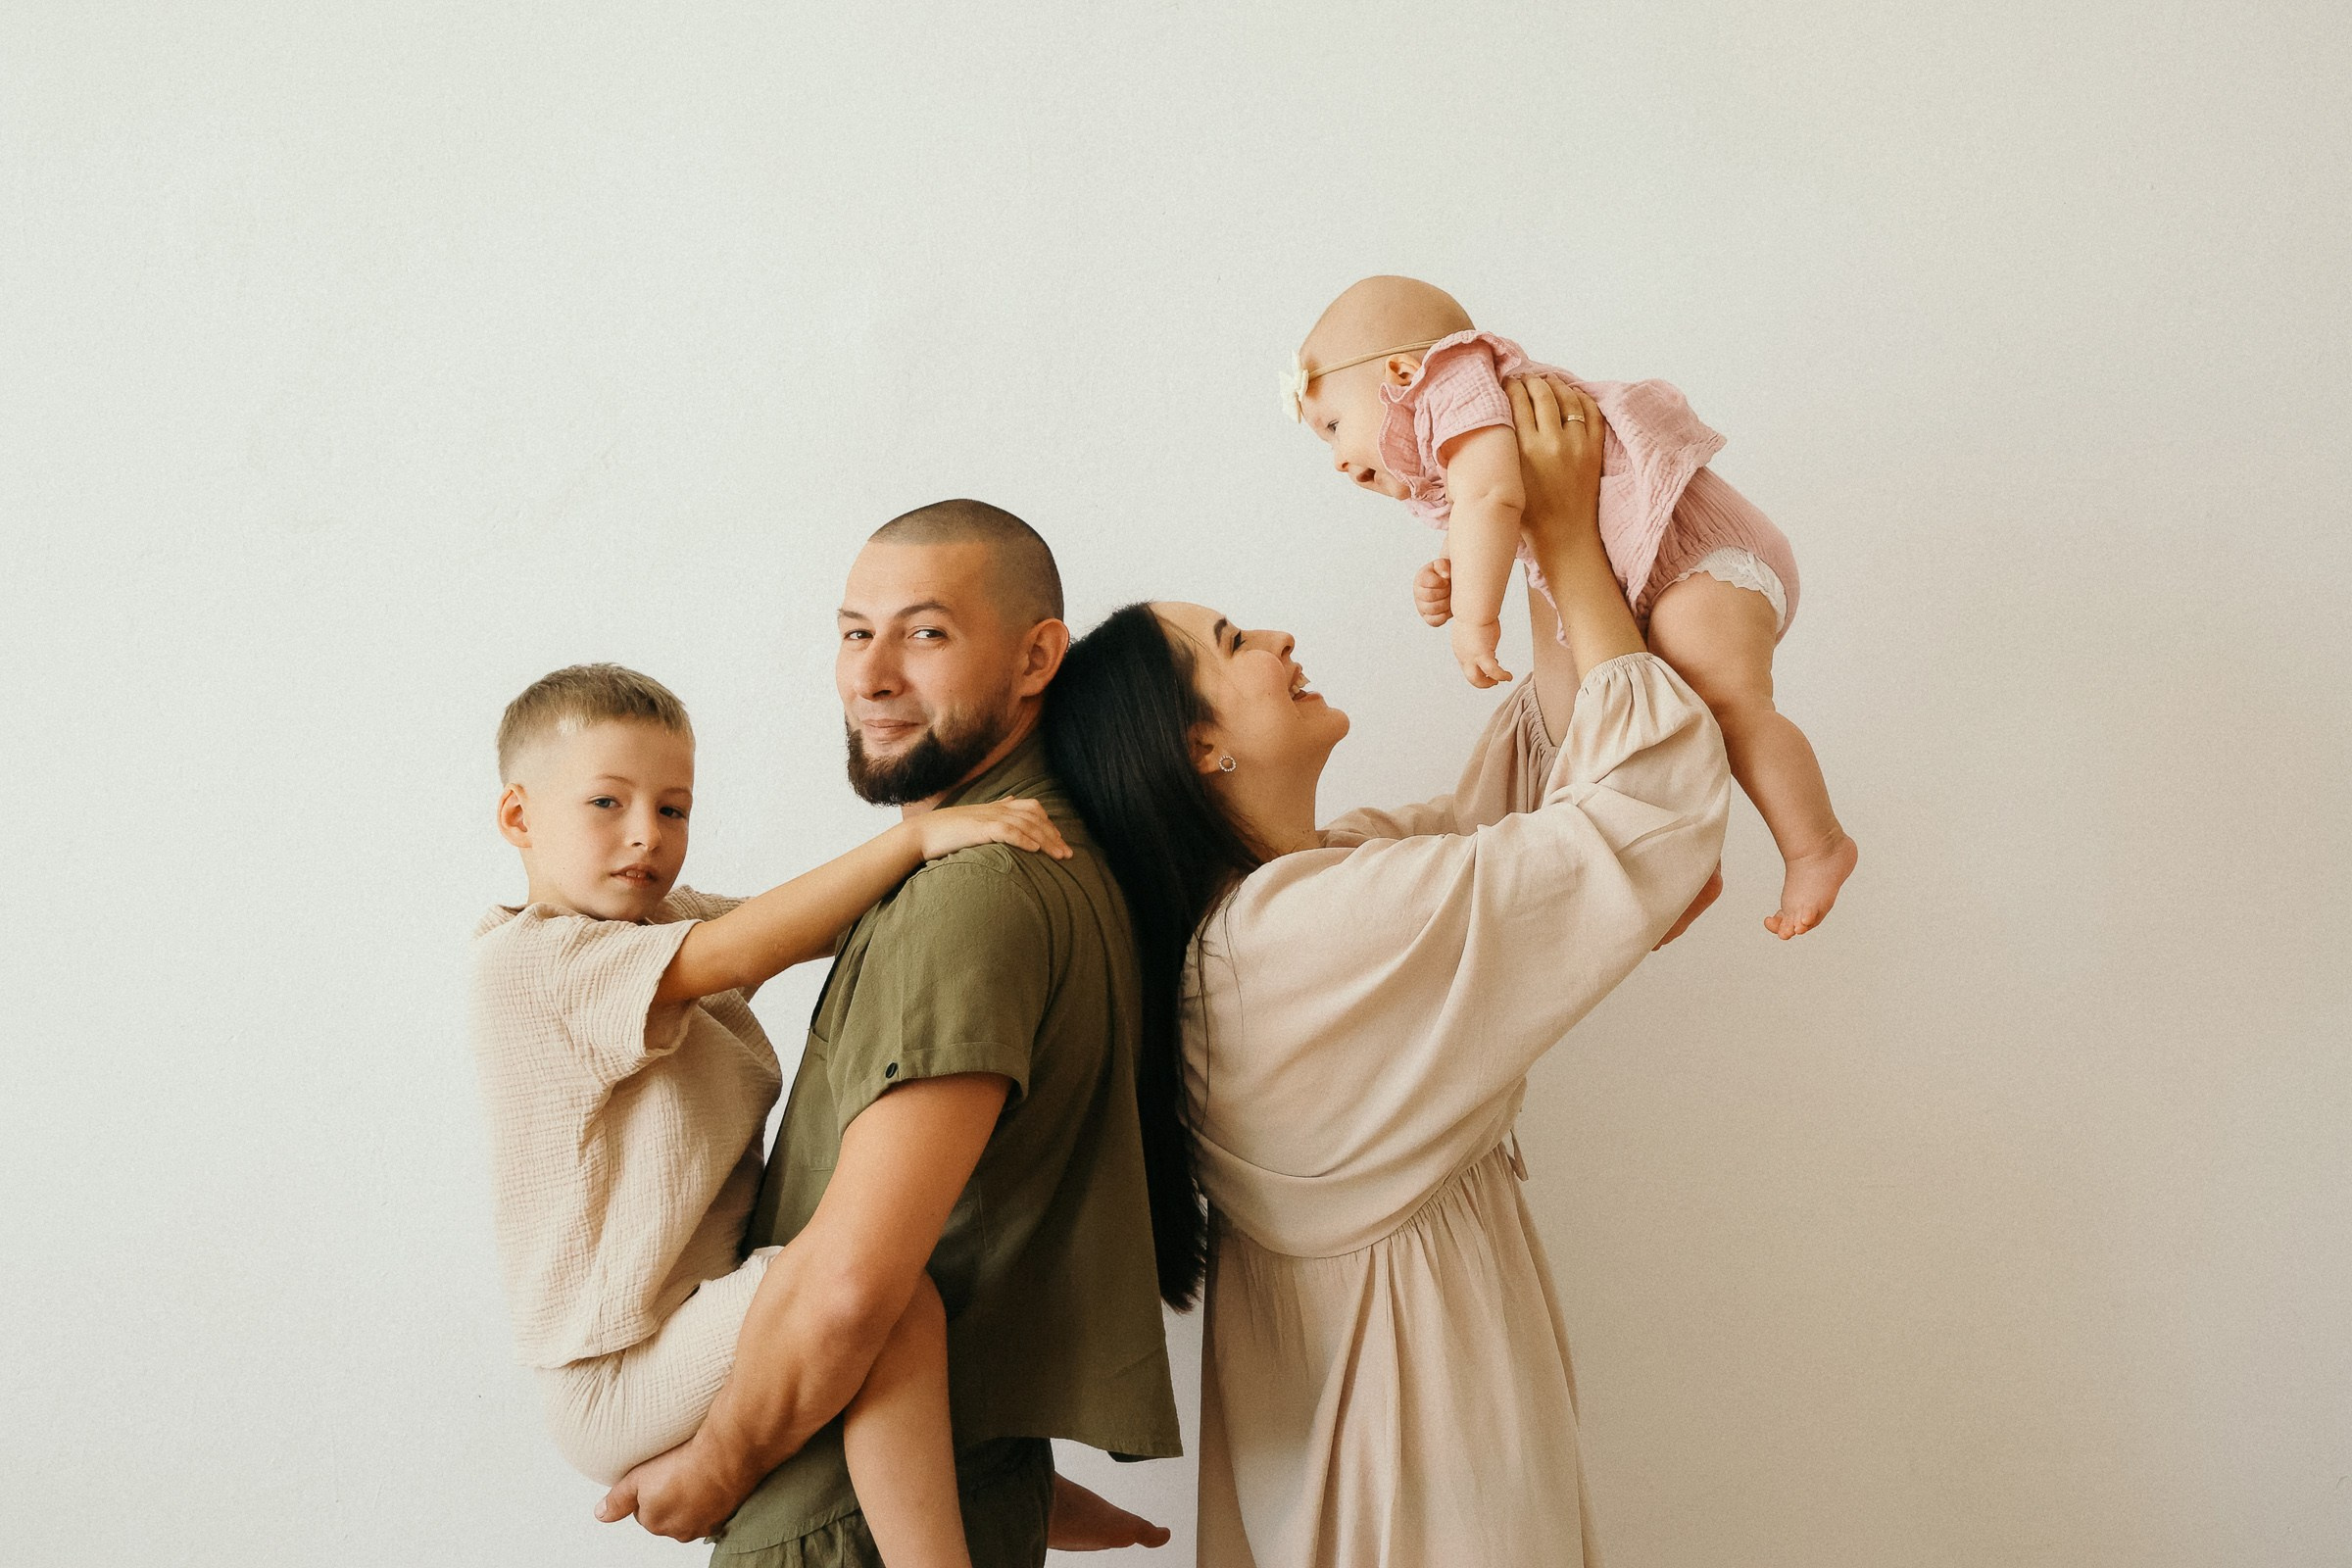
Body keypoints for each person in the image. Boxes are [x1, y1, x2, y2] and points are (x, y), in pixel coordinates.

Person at [1046, 378, 1733, 1567]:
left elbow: (1536, 799)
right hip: (1420, 1460)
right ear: (1195, 746)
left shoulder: (1304, 899)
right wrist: (1566, 543)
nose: (1278, 641)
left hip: (1398, 1428)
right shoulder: (1299, 941)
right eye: (1233, 644)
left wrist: (1532, 546)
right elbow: (1641, 818)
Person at [594, 503, 1183, 1568]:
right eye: (855, 632)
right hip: (928, 1499)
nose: (868, 677)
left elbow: (861, 1279)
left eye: (925, 633)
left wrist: (718, 1467)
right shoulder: (1043, 861)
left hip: (839, 1524)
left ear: (1038, 654)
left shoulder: (979, 894)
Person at [470, 661, 1078, 1567]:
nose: (648, 835)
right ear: (520, 817)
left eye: (673, 809)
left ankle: (1021, 1494)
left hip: (701, 1317)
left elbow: (813, 922)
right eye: (608, 804)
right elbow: (739, 948)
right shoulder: (532, 964)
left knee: (888, 1291)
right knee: (888, 1296)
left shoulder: (657, 925)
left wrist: (968, 851)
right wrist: (918, 842)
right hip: (619, 1373)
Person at [1282, 273, 1855, 938]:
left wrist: (1475, 617)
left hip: (1697, 557)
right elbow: (1486, 515)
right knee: (1654, 729)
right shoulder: (1458, 435)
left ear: (1404, 373)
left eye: (1332, 425)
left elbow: (1493, 502)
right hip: (1647, 578)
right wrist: (1452, 572)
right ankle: (1683, 870)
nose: (1336, 460)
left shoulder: (1455, 384)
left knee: (1725, 702)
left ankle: (1817, 846)